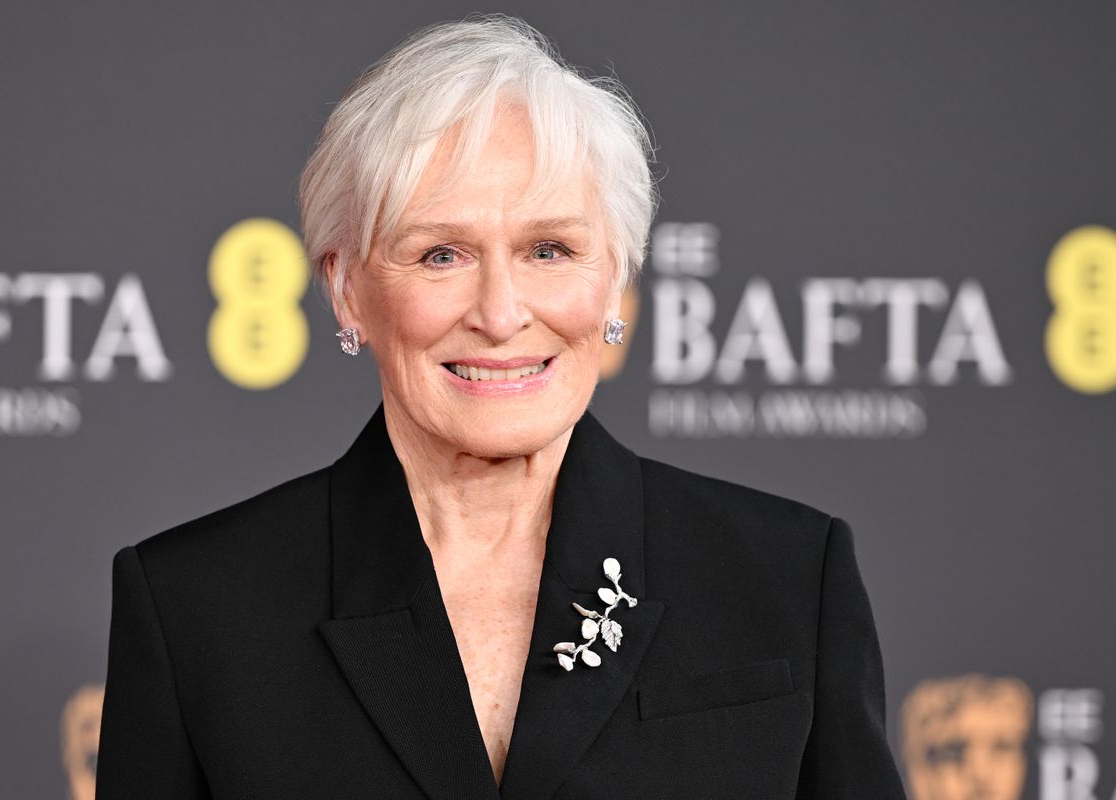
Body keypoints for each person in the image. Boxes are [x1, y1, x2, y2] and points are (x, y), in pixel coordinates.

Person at [95, 15, 906, 799]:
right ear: (347, 290)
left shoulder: (788, 575)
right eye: (441, 254)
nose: (500, 312)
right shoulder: (195, 607)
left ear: (615, 278)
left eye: (548, 250)